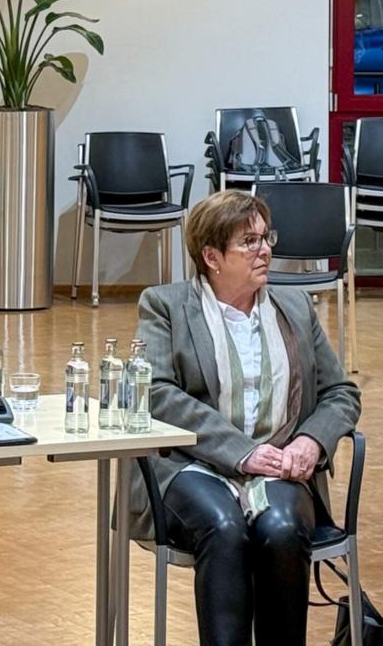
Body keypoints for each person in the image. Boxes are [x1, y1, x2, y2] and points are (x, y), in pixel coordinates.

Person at [131, 188, 362, 646]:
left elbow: (340, 393)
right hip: (190, 462)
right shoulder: (166, 305)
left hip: (281, 463)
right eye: (250, 242)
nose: (266, 250)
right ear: (212, 257)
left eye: (266, 237)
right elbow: (155, 392)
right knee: (224, 527)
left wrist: (310, 442)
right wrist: (243, 452)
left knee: (279, 529)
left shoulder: (294, 308)